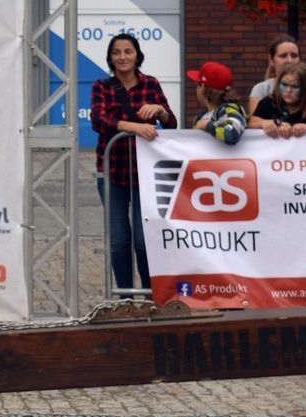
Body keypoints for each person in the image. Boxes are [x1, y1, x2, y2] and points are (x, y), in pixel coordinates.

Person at [89, 32, 174, 293]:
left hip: (144, 174)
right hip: (112, 173)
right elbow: (98, 120)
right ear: (110, 58)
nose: (122, 57)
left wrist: (160, 111)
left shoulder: (151, 84)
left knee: (143, 239)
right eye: (116, 52)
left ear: (137, 55)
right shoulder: (102, 87)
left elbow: (172, 122)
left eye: (128, 51)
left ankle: (150, 295)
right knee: (119, 239)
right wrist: (133, 126)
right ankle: (125, 297)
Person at [246, 36, 306, 115]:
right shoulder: (261, 89)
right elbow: (256, 122)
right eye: (283, 56)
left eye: (294, 56)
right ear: (271, 60)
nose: (289, 60)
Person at [187, 61, 247, 145]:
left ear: (203, 87)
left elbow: (232, 132)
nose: (196, 89)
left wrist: (207, 125)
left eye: (197, 85)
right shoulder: (200, 116)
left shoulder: (228, 110)